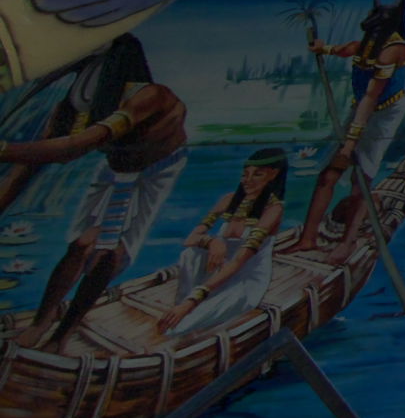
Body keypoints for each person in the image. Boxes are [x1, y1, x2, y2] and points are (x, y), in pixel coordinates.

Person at [0, 34, 189, 350]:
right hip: (116, 165)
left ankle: (61, 337)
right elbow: (33, 162)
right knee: (79, 245)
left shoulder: (150, 96)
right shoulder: (76, 100)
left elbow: (75, 147)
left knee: (107, 252)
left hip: (155, 170)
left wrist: (4, 149)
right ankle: (40, 324)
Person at [290, 0, 405, 264]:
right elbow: (351, 48)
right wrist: (325, 49)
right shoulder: (369, 41)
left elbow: (372, 96)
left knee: (361, 180)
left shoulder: (394, 49)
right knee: (329, 173)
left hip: (383, 113)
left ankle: (347, 242)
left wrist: (350, 142)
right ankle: (307, 238)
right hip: (361, 107)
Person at [159, 147, 286, 335]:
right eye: (245, 174)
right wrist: (212, 242)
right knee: (191, 253)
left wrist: (192, 302)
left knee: (178, 329)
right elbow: (190, 240)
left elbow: (238, 261)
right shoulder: (228, 200)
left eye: (257, 174)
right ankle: (185, 303)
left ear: (273, 175)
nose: (248, 180)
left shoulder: (273, 209)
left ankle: (188, 304)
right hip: (216, 270)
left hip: (243, 279)